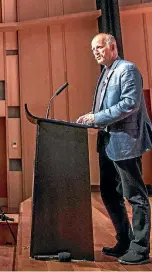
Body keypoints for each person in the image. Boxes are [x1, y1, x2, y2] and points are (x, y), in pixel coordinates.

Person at [77, 33, 152, 265]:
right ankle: (125, 240)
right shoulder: (106, 73)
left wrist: (96, 117)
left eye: (98, 47)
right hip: (107, 142)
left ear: (112, 46)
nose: (95, 52)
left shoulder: (127, 69)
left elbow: (130, 104)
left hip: (125, 143)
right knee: (110, 194)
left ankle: (140, 249)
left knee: (135, 196)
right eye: (93, 50)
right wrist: (95, 121)